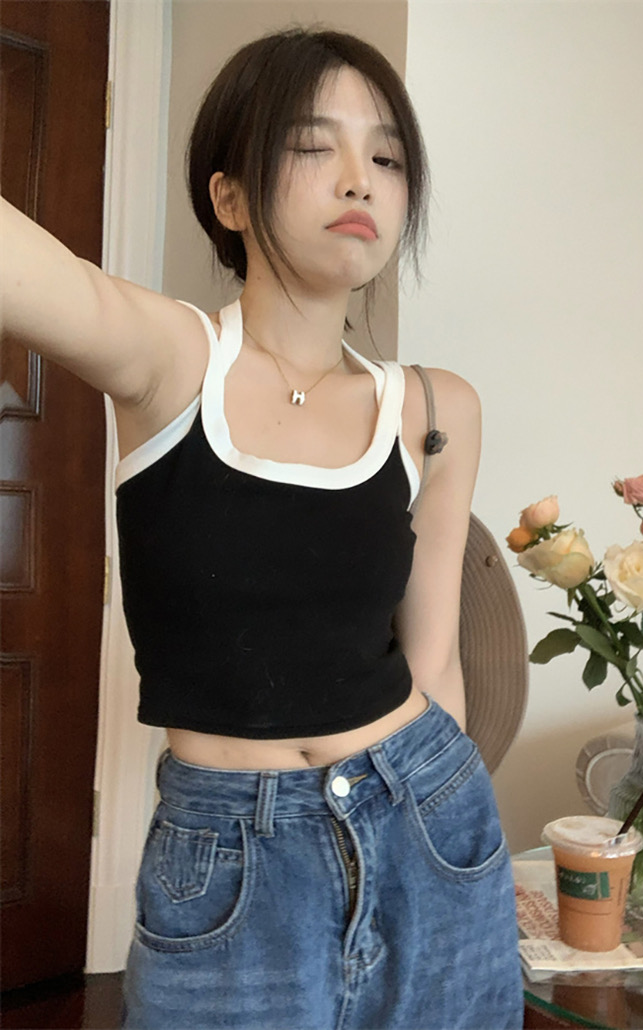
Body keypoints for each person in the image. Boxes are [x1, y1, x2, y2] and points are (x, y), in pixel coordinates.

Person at [1, 27, 523, 1030]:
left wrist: (447, 827)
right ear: (230, 196)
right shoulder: (171, 361)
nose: (359, 179)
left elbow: (436, 664)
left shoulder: (435, 407)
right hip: (230, 853)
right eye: (313, 145)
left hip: (427, 819)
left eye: (386, 158)